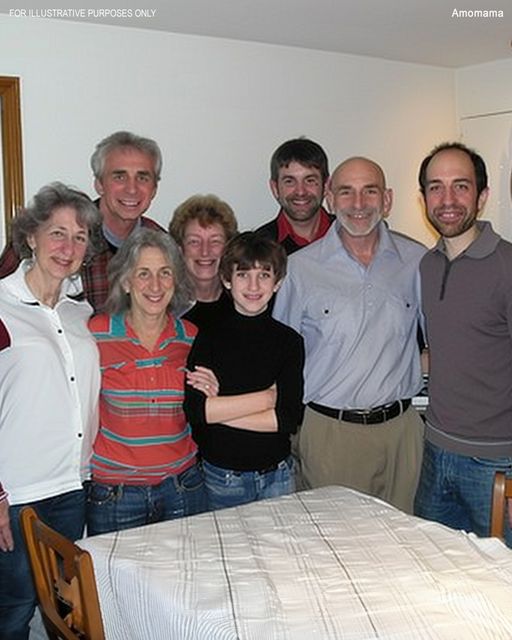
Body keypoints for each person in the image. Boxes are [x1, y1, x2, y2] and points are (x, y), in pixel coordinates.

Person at [273, 156, 426, 513]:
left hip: (403, 434)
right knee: (336, 542)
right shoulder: (299, 269)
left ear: (387, 199)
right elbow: (279, 359)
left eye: (369, 191)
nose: (358, 204)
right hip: (331, 434)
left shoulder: (417, 261)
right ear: (330, 199)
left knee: (406, 539)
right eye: (346, 192)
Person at [0, 183, 101, 640]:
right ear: (31, 237)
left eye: (79, 237)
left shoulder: (81, 314)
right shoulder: (2, 306)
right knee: (13, 610)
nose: (68, 247)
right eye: (57, 233)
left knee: (65, 610)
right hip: (18, 495)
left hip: (74, 486)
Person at [414, 142, 512, 545]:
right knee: (433, 566)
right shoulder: (427, 264)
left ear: (482, 196)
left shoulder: (507, 266)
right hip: (435, 450)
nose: (448, 199)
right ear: (423, 198)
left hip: (497, 462)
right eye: (435, 187)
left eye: (461, 186)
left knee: (501, 576)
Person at [86, 228, 206, 535]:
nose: (155, 285)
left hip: (183, 486)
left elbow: (203, 407)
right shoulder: (96, 333)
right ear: (126, 282)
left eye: (165, 273)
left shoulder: (191, 337)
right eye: (143, 274)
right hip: (116, 494)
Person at [184, 232, 304, 510]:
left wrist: (219, 410)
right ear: (227, 279)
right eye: (243, 275)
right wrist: (266, 399)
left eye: (264, 275)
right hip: (222, 477)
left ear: (278, 282)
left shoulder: (289, 342)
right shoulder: (206, 336)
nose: (253, 285)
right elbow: (196, 412)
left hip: (277, 475)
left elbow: (288, 419)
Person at [0, 130, 164, 312]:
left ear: (154, 189)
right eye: (119, 176)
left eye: (142, 178)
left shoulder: (163, 245)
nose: (131, 189)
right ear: (99, 185)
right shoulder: (46, 231)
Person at [169, 194, 238, 330]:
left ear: (228, 247)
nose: (205, 251)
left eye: (215, 241)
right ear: (180, 249)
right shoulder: (164, 306)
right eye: (194, 241)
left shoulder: (244, 303)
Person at [256, 137, 334, 255]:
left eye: (310, 180)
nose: (300, 192)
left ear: (326, 185)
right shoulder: (258, 248)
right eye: (290, 181)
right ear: (275, 188)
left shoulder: (347, 235)